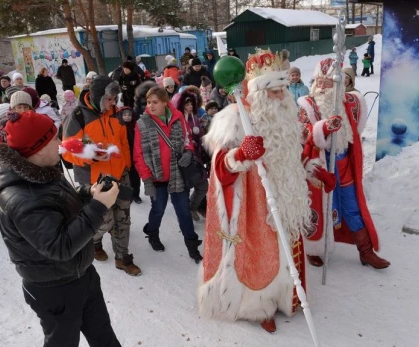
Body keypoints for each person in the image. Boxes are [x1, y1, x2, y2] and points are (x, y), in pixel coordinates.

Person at [198, 49, 312, 333]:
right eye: (275, 90)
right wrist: (241, 154)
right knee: (259, 256)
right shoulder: (235, 116)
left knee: (285, 251)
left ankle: (286, 296)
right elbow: (220, 167)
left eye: (284, 88)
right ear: (260, 91)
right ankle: (258, 306)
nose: (282, 95)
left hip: (285, 200)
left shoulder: (286, 113)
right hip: (254, 206)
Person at [0, 110, 122, 347]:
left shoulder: (41, 170)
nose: (61, 143)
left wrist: (88, 193)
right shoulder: (22, 197)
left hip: (82, 275)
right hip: (54, 290)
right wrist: (98, 207)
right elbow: (59, 246)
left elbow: (60, 201)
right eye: (54, 139)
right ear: (38, 148)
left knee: (103, 336)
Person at [298, 58, 390, 269]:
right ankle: (315, 249)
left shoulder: (350, 103)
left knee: (352, 206)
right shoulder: (307, 105)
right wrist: (324, 128)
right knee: (319, 208)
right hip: (319, 166)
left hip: (343, 162)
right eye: (318, 82)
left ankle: (366, 251)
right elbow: (303, 135)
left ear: (338, 84)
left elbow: (355, 132)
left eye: (327, 82)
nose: (321, 87)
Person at [62, 76, 141, 276]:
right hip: (95, 181)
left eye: (115, 99)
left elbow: (123, 143)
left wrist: (126, 166)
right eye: (110, 99)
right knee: (104, 221)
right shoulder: (78, 116)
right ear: (99, 97)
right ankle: (94, 241)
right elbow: (68, 151)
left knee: (123, 218)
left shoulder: (116, 115)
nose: (114, 103)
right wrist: (91, 157)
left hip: (120, 176)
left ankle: (122, 257)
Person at [133, 86, 203, 263]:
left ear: (165, 102)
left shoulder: (178, 118)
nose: (150, 106)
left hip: (177, 174)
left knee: (184, 211)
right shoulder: (142, 123)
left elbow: (187, 141)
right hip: (157, 177)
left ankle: (192, 244)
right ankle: (152, 233)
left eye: (155, 102)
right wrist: (146, 179)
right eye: (148, 102)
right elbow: (138, 154)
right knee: (158, 209)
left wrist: (188, 152)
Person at [176, 90, 207, 221]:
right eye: (186, 104)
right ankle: (185, 214)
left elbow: (200, 136)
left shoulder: (195, 118)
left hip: (197, 158)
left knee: (203, 186)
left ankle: (192, 207)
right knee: (186, 187)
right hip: (184, 159)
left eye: (191, 105)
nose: (189, 107)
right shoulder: (177, 119)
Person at [129, 80, 158, 204]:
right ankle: (135, 193)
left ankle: (157, 189)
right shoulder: (137, 108)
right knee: (137, 169)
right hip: (140, 140)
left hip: (155, 140)